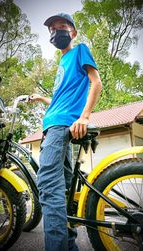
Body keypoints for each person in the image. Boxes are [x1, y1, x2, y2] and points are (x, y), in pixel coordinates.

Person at [30, 13, 102, 251]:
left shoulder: (79, 50)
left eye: (62, 26)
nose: (56, 31)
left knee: (48, 187)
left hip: (61, 127)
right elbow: (60, 100)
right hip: (54, 126)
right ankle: (69, 247)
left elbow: (96, 81)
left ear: (73, 32)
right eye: (52, 28)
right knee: (64, 192)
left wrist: (85, 116)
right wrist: (42, 98)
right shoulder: (61, 64)